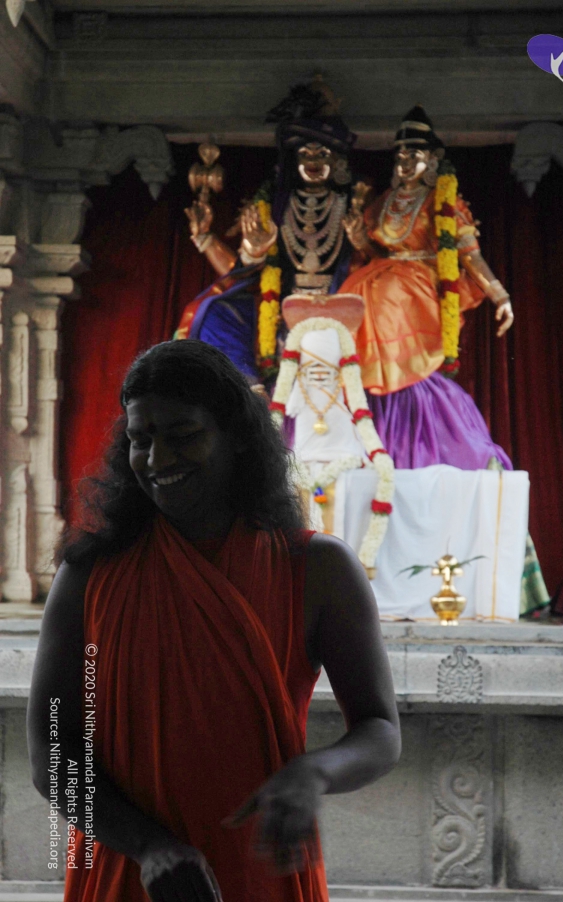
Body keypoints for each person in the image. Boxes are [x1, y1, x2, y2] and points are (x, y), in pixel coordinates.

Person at [27, 339, 401, 902]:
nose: (157, 460)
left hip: (260, 867)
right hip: (133, 869)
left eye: (182, 436)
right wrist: (150, 847)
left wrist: (314, 772)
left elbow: (380, 729)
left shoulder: (317, 567)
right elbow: (52, 753)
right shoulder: (89, 575)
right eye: (141, 440)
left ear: (238, 437)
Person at [340, 105, 514, 470]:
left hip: (420, 284)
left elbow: (470, 255)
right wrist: (361, 242)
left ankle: (396, 384)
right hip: (382, 276)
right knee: (353, 297)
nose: (405, 163)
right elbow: (378, 251)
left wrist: (500, 295)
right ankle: (372, 385)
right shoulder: (384, 201)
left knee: (387, 294)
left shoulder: (443, 201)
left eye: (414, 155)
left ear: (433, 159)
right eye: (400, 156)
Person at [175, 78, 357, 382]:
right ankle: (250, 393)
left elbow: (370, 263)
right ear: (294, 160)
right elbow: (240, 275)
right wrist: (243, 248)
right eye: (305, 154)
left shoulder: (353, 205)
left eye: (322, 154)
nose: (313, 161)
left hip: (340, 302)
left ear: (337, 161)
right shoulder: (274, 207)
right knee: (215, 312)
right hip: (282, 305)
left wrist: (362, 242)